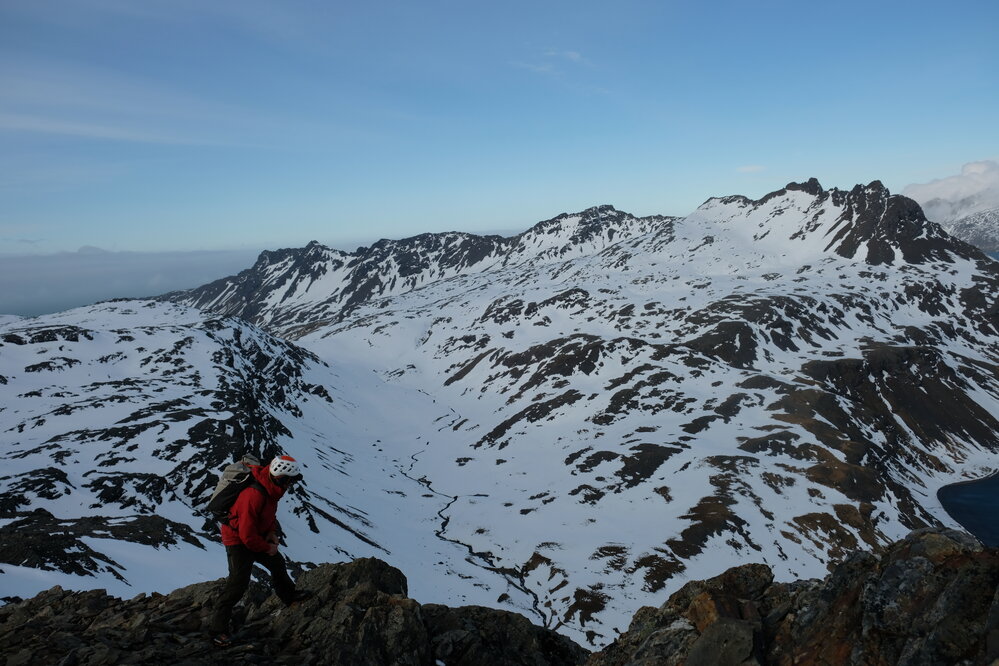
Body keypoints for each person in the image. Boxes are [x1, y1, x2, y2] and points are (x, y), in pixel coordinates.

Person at [209, 454, 311, 647]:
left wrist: (271, 532)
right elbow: (246, 536)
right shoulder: (254, 494)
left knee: (278, 564)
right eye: (289, 481)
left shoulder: (271, 488)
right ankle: (217, 630)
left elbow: (268, 514)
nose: (290, 485)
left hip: (254, 535)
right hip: (237, 540)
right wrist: (266, 548)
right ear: (281, 477)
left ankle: (289, 597)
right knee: (237, 584)